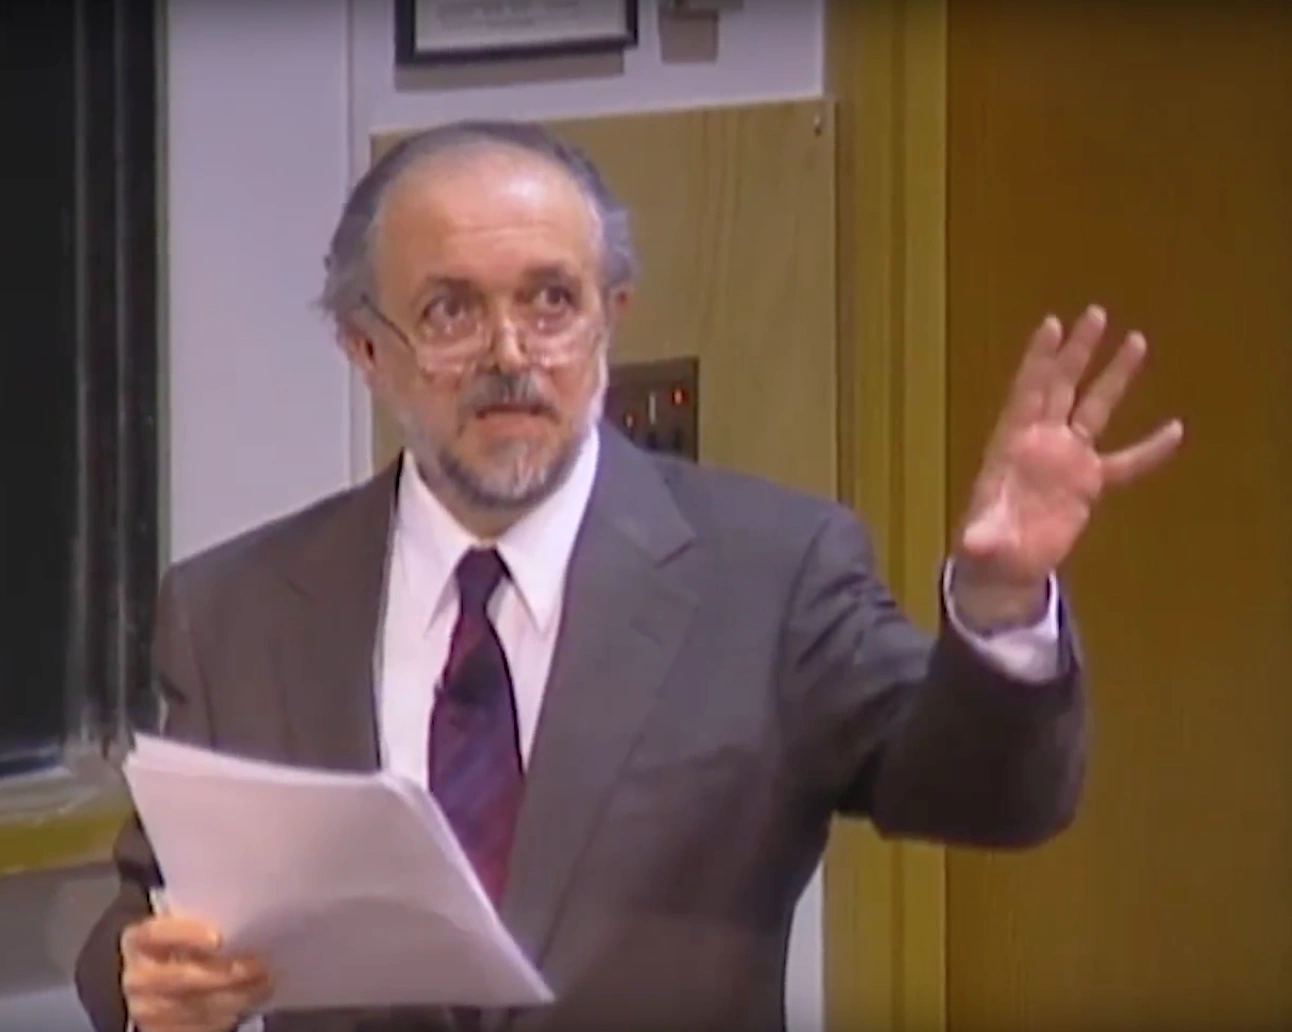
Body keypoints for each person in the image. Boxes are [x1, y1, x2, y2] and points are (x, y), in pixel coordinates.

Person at [74, 120, 1183, 1032]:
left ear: (610, 322)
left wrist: (996, 606)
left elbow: (989, 799)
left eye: (551, 301)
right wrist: (148, 984)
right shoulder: (236, 609)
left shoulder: (773, 574)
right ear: (367, 351)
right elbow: (149, 916)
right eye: (450, 310)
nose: (511, 353)